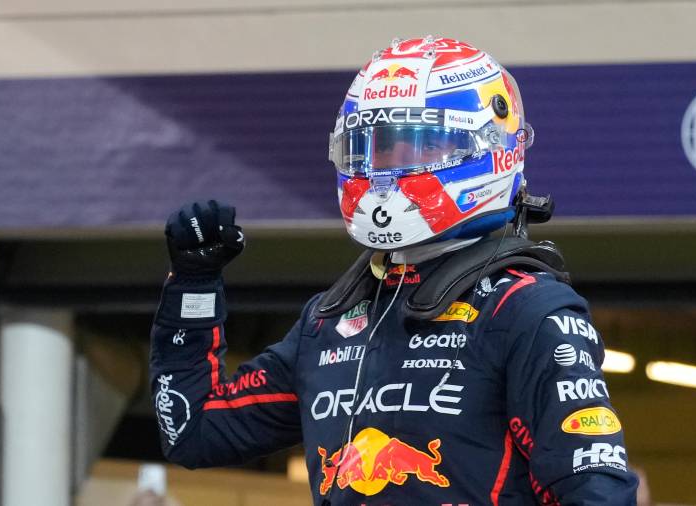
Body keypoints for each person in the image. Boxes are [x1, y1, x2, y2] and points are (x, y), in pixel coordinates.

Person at [150, 36, 639, 505]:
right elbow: (193, 432)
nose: (387, 169)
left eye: (420, 146)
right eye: (376, 148)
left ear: (492, 147)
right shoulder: (329, 321)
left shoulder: (526, 309)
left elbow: (595, 490)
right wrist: (194, 287)